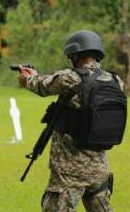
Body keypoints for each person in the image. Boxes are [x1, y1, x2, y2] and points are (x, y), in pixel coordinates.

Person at [19, 30, 123, 212]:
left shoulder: (71, 78)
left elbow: (42, 85)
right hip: (99, 169)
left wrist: (28, 78)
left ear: (75, 55)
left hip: (69, 171)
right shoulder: (115, 80)